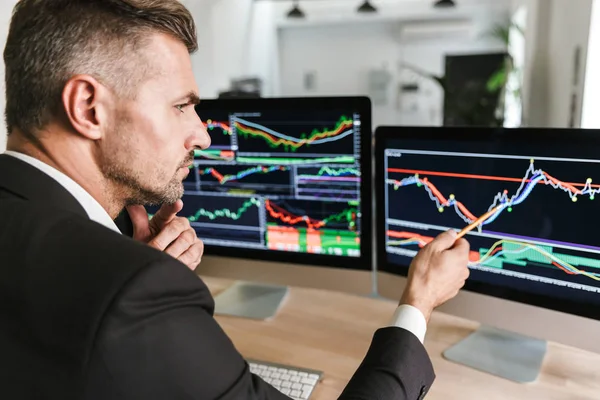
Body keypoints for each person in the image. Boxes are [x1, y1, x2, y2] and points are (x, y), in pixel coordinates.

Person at [0, 1, 470, 399]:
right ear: (88, 107)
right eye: (182, 106)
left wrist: (123, 263)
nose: (202, 134)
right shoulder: (133, 294)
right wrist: (419, 302)